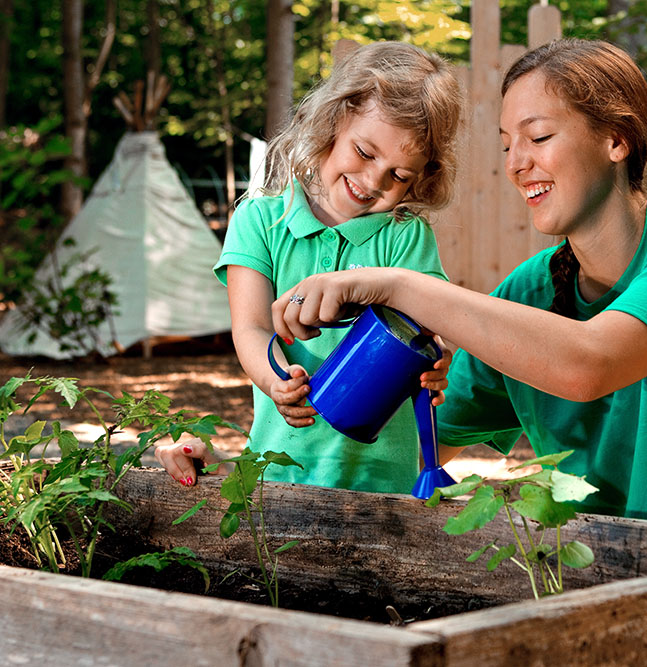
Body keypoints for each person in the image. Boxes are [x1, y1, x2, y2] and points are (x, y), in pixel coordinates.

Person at [272, 38, 647, 538]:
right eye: (507, 144)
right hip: (608, 587)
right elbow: (407, 447)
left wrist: (395, 285)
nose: (517, 164)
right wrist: (213, 460)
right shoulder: (530, 294)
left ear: (617, 138)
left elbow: (589, 364)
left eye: (538, 137)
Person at [155, 41, 461, 494]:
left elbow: (431, 329)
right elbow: (252, 329)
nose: (374, 181)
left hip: (381, 488)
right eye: (365, 151)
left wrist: (436, 360)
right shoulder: (261, 221)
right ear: (334, 120)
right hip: (279, 475)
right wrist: (277, 381)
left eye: (399, 175)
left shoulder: (406, 235)